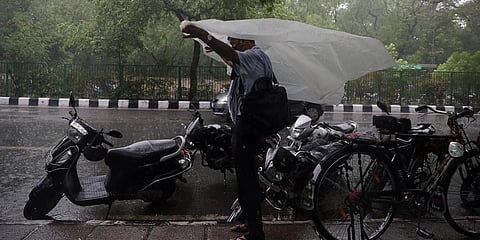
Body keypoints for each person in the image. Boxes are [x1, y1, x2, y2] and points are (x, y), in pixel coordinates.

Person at [181, 23, 273, 240]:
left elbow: (233, 56)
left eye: (234, 39)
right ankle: (250, 223)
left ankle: (255, 234)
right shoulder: (255, 59)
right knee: (246, 180)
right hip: (249, 126)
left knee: (247, 182)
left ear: (246, 39)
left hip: (247, 128)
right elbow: (233, 60)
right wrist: (216, 48)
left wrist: (202, 34)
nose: (232, 43)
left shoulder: (253, 56)